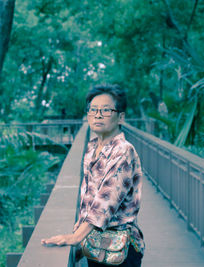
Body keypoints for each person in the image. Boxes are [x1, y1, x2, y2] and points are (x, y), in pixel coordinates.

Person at [41, 84, 145, 266]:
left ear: (120, 117)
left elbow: (105, 202)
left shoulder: (123, 151)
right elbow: (88, 197)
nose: (97, 115)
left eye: (106, 110)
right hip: (95, 245)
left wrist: (75, 237)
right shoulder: (92, 148)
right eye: (93, 110)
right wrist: (81, 232)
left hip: (119, 251)